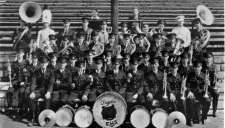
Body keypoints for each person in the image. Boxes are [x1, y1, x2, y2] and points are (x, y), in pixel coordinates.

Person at [29, 55, 54, 126]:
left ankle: (46, 119)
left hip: (47, 91)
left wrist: (49, 92)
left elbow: (51, 84)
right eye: (42, 63)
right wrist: (32, 92)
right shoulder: (36, 72)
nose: (43, 64)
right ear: (40, 63)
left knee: (47, 98)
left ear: (47, 63)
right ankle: (33, 118)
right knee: (31, 97)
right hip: (39, 91)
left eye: (45, 63)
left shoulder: (51, 72)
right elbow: (33, 83)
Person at [6, 50, 28, 118]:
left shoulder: (26, 63)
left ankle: (21, 109)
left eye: (21, 54)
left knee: (21, 91)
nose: (19, 55)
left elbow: (28, 75)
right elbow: (11, 75)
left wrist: (24, 82)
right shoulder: (14, 64)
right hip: (15, 83)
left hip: (23, 84)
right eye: (18, 54)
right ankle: (10, 108)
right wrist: (9, 73)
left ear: (23, 54)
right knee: (9, 90)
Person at [202, 53, 220, 117]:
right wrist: (205, 79)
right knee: (207, 99)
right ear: (204, 59)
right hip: (204, 87)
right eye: (207, 58)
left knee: (217, 93)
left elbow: (217, 79)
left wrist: (216, 78)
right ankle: (205, 112)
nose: (208, 60)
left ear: (212, 59)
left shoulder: (214, 66)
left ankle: (214, 111)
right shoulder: (202, 67)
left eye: (209, 58)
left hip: (212, 86)